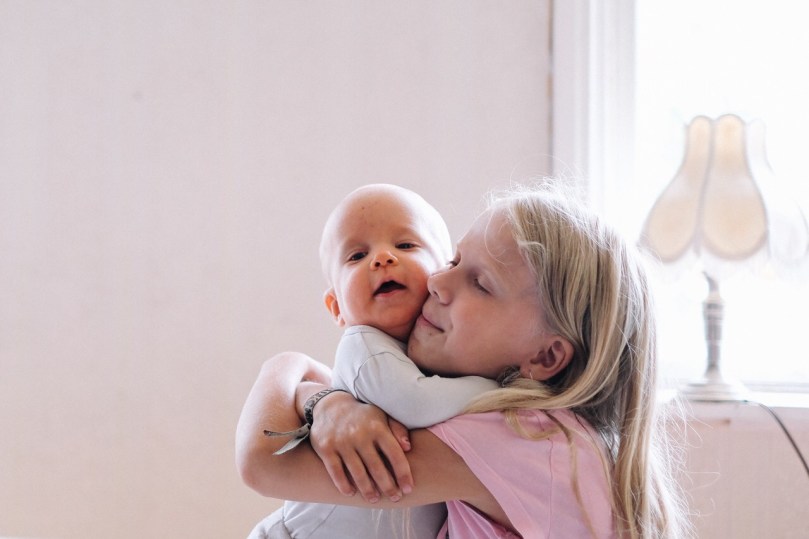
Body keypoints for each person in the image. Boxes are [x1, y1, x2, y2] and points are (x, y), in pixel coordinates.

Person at [237, 183, 691, 538]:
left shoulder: (520, 439)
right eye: (454, 261)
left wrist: (282, 365)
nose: (437, 282)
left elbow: (263, 464)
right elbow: (336, 387)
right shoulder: (562, 436)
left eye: (480, 283)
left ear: (546, 355)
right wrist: (325, 401)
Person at [248, 184, 498, 538]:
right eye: (356, 256)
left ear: (443, 274)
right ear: (337, 308)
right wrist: (499, 389)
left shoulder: (447, 361)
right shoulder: (362, 345)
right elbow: (416, 403)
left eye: (405, 245)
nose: (382, 258)